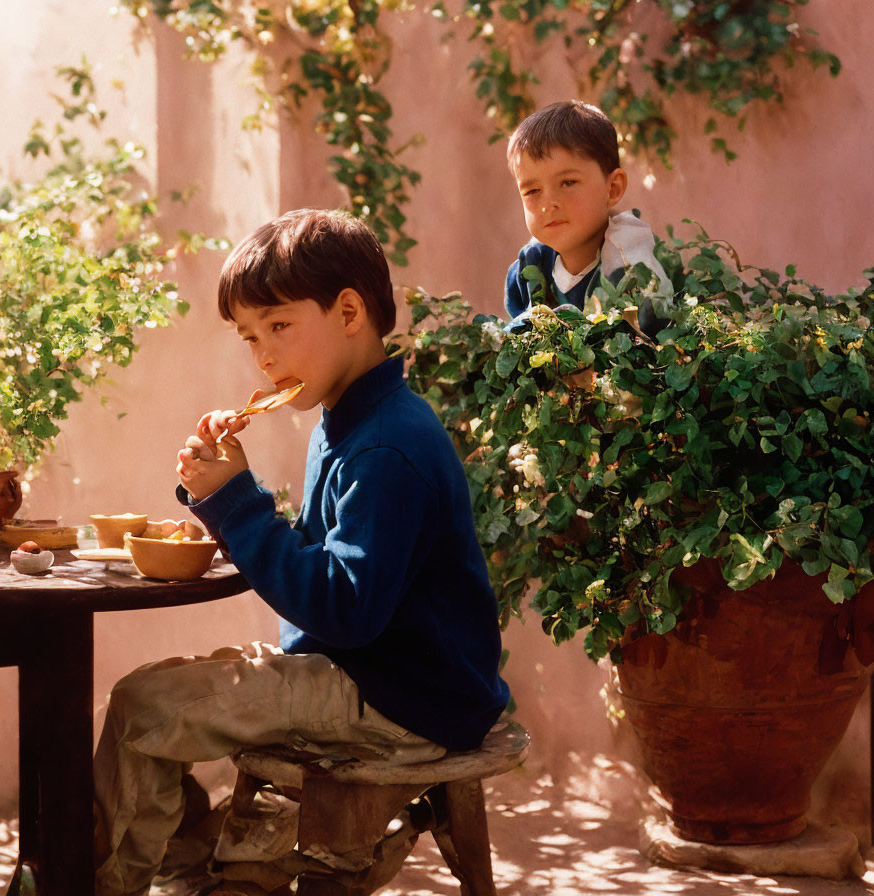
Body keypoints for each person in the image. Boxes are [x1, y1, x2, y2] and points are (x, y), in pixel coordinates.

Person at [92, 208, 511, 896]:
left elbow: (346, 609)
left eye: (279, 326)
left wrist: (236, 503)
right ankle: (201, 859)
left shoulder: (385, 445)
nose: (263, 356)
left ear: (350, 311)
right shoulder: (350, 421)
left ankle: (113, 880)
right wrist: (231, 501)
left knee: (144, 708)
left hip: (398, 694)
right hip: (374, 671)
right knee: (152, 701)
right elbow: (333, 564)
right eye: (250, 337)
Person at [503, 100, 671, 332]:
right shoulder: (529, 268)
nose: (548, 204)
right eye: (532, 191)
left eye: (568, 182)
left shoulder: (632, 264)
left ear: (612, 189)